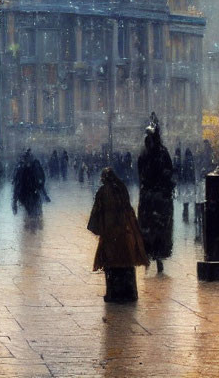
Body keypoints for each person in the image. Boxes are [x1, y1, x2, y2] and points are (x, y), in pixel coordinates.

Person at [87, 167, 149, 303]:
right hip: (124, 233)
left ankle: (113, 294)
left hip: (110, 234)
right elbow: (128, 209)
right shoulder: (121, 189)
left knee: (111, 264)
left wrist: (98, 228)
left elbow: (97, 213)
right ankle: (128, 293)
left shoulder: (103, 192)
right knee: (125, 263)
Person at [137, 113, 174, 274]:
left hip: (153, 197)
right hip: (155, 197)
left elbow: (143, 174)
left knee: (154, 229)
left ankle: (153, 258)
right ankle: (153, 257)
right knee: (155, 229)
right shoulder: (156, 153)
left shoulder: (151, 153)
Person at [12, 153, 50, 230]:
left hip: (28, 196)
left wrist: (15, 201)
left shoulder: (22, 168)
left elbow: (17, 185)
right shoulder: (32, 168)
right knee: (34, 214)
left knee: (30, 214)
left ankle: (31, 231)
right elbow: (41, 183)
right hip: (32, 195)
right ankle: (34, 230)